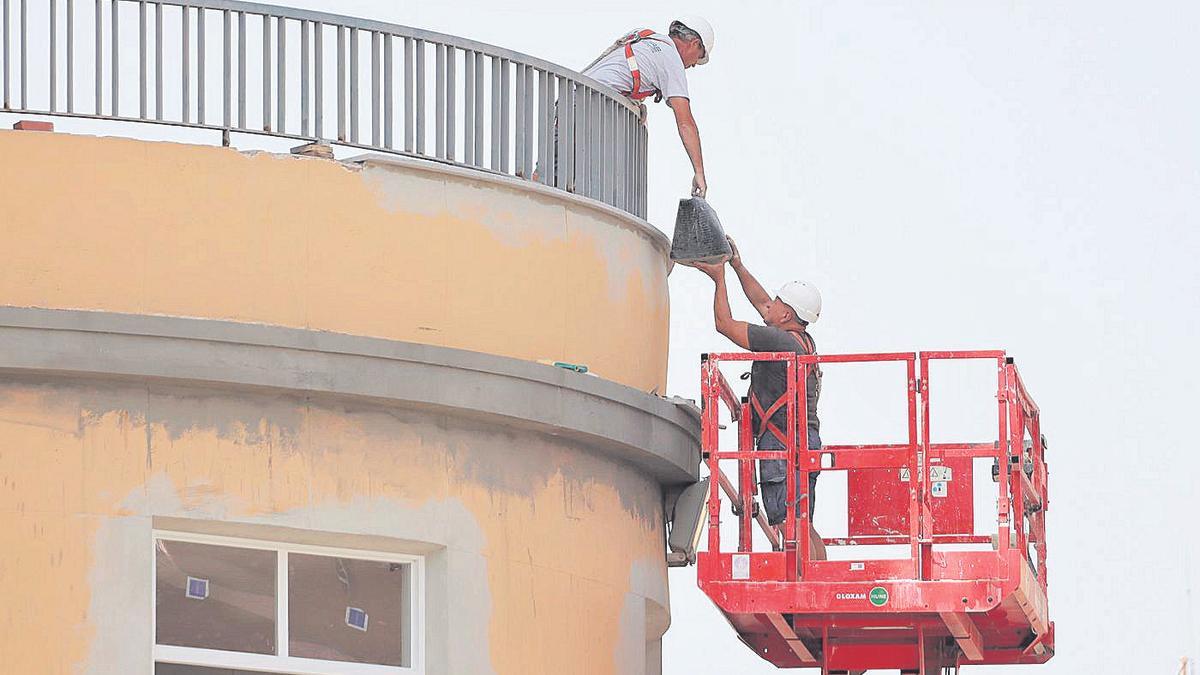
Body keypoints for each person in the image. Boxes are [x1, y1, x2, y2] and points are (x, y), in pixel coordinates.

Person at [687, 237, 827, 559]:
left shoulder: (778, 341)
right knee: (803, 521)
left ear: (786, 315)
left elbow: (725, 325)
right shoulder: (802, 341)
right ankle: (820, 578)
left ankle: (808, 586)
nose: (770, 305)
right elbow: (762, 303)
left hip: (782, 444)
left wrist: (720, 279)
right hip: (803, 440)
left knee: (788, 521)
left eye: (777, 302)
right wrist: (738, 266)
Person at [581, 16, 713, 198]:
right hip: (591, 108)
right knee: (574, 180)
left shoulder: (647, 40)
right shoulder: (671, 58)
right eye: (697, 59)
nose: (692, 66)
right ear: (694, 43)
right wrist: (699, 172)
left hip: (572, 97)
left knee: (551, 172)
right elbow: (685, 123)